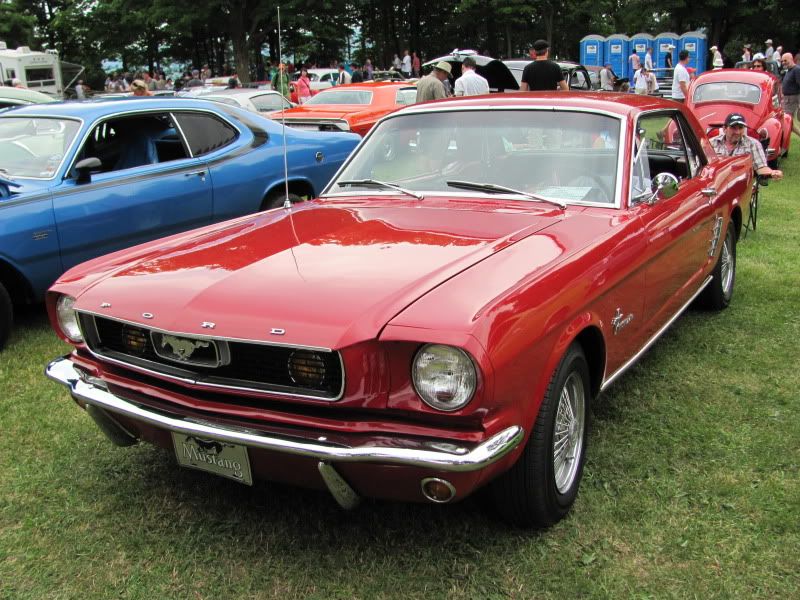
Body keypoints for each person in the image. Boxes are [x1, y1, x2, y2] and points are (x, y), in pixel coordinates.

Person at [710, 113, 783, 180]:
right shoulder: (711, 143)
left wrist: (772, 172)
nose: (737, 132)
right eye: (733, 128)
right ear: (724, 129)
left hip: (741, 184)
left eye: (740, 128)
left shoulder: (753, 144)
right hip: (717, 183)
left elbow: (761, 167)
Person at [780, 53, 800, 138]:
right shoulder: (789, 70)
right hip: (787, 99)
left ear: (791, 59)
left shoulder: (796, 70)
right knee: (787, 122)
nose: (783, 62)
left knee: (787, 122)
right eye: (782, 61)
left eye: (785, 60)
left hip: (793, 99)